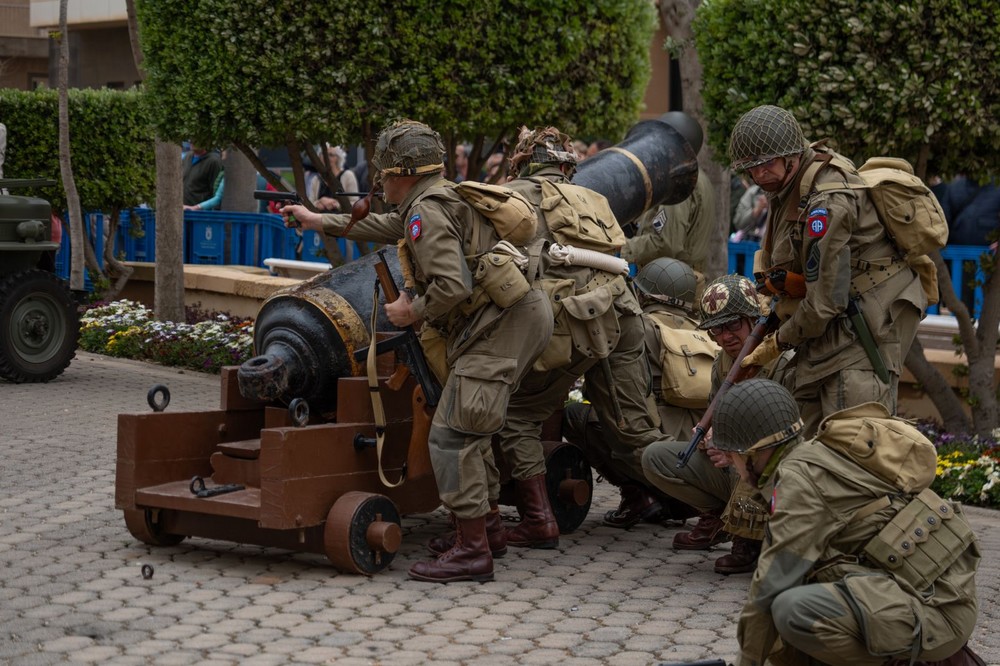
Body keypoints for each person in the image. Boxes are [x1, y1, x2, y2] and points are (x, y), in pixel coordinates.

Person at [281, 120, 554, 583]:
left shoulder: (425, 211)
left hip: (503, 325)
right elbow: (387, 226)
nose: (380, 182)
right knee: (470, 425)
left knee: (453, 433)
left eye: (384, 174)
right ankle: (487, 531)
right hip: (510, 317)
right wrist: (316, 219)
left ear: (402, 173)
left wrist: (412, 312)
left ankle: (473, 553)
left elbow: (451, 285)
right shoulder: (430, 199)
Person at [712, 378, 981, 666]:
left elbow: (769, 586)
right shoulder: (814, 455)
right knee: (803, 592)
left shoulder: (800, 483)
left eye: (732, 455)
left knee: (794, 610)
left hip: (934, 611)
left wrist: (747, 662)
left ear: (752, 452)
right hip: (929, 598)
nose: (732, 465)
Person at [730, 105, 925, 436]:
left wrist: (774, 345)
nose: (760, 175)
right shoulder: (787, 186)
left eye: (766, 164)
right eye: (752, 169)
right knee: (798, 433)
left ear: (792, 155)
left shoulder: (826, 200)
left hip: (865, 325)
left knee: (854, 444)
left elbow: (824, 302)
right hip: (833, 321)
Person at [642, 273, 792, 575]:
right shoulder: (722, 363)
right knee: (656, 458)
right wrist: (713, 434)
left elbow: (791, 433)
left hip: (773, 465)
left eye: (733, 325)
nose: (724, 336)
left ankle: (747, 539)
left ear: (753, 319)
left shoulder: (782, 359)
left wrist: (737, 450)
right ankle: (720, 518)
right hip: (731, 460)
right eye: (715, 330)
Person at [621, 112, 716, 296]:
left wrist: (621, 245)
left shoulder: (681, 183)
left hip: (670, 288)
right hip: (678, 282)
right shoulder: (697, 177)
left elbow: (665, 244)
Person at [315, 145, 360, 214]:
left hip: (342, 221)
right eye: (323, 154)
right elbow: (310, 202)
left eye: (331, 155)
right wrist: (319, 203)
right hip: (319, 220)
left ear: (338, 157)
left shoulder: (348, 175)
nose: (326, 157)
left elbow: (355, 203)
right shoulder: (316, 179)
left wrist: (335, 204)